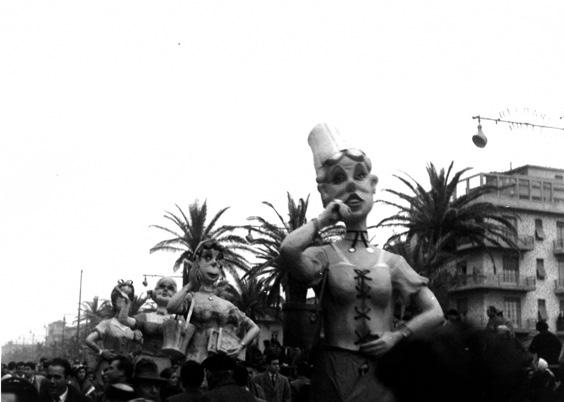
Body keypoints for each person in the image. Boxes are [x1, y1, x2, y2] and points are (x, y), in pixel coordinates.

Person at [279, 124, 444, 402]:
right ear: (326, 192)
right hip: (334, 368)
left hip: (382, 371)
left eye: (360, 175)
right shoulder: (326, 256)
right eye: (338, 178)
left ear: (373, 184)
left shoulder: (392, 262)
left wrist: (397, 336)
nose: (352, 185)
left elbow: (435, 311)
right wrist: (322, 220)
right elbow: (289, 250)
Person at [167, 240, 260, 363]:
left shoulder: (227, 305)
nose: (215, 263)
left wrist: (240, 346)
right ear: (197, 262)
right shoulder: (192, 298)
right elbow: (171, 307)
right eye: (207, 257)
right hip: (192, 363)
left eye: (218, 259)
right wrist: (190, 284)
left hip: (217, 366)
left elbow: (254, 328)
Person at [85, 280, 143, 387]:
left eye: (129, 296)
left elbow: (142, 347)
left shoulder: (134, 326)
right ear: (114, 300)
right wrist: (101, 352)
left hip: (127, 370)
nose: (124, 299)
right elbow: (89, 340)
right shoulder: (106, 324)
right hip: (108, 367)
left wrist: (133, 354)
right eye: (121, 295)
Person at [118, 277, 178, 373]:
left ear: (176, 295)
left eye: (170, 288)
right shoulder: (145, 316)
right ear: (154, 292)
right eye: (161, 286)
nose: (165, 289)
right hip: (144, 363)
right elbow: (123, 319)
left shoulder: (178, 320)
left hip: (166, 365)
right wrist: (126, 301)